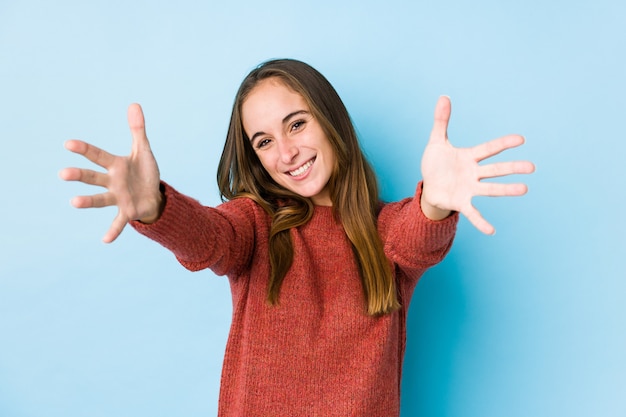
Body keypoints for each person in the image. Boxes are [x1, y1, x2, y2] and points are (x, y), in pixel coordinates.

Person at [60, 59, 534, 416]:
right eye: (264, 141)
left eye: (297, 123)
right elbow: (210, 238)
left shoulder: (383, 232)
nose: (286, 152)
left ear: (330, 121)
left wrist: (435, 201)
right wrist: (157, 208)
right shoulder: (254, 223)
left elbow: (416, 237)